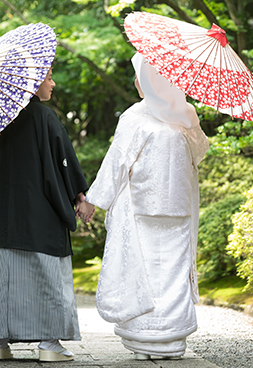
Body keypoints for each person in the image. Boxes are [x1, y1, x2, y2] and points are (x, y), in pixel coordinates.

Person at [82, 53, 209, 360]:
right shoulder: (185, 113)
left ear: (147, 83)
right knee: (174, 273)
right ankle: (172, 342)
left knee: (144, 273)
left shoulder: (135, 117)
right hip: (178, 208)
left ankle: (144, 343)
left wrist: (93, 201)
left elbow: (116, 163)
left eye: (140, 77)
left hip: (143, 208)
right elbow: (200, 151)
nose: (137, 83)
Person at [0, 67, 91, 362]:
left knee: (7, 277)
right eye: (48, 77)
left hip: (10, 216)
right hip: (41, 213)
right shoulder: (44, 117)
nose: (52, 83)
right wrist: (79, 195)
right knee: (47, 277)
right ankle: (49, 343)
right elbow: (63, 161)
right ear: (32, 84)